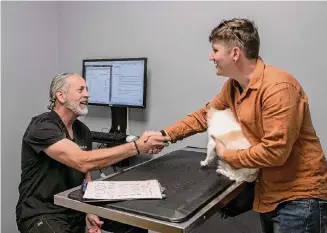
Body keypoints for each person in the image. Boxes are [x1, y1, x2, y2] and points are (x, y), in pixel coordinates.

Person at [144, 18, 327, 233]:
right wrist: (165, 135)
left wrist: (227, 155)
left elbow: (275, 152)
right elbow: (206, 115)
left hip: (299, 199)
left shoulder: (278, 88)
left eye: (215, 50)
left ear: (235, 53)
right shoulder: (234, 86)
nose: (210, 57)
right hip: (269, 194)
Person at [16, 73, 169, 233]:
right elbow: (82, 161)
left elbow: (85, 174)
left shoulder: (82, 131)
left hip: (74, 208)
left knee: (137, 225)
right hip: (41, 212)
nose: (87, 94)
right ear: (61, 96)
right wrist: (136, 146)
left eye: (87, 89)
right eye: (81, 89)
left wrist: (90, 211)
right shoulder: (42, 127)